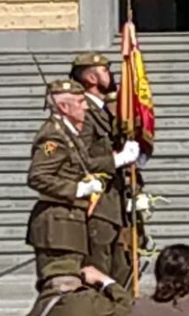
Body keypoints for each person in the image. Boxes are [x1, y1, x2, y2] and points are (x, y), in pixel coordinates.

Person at [26, 72, 139, 284]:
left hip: (70, 221)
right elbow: (37, 176)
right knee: (62, 286)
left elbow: (84, 164)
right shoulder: (54, 135)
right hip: (57, 225)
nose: (86, 107)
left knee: (75, 284)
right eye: (80, 102)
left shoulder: (69, 134)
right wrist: (78, 189)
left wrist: (116, 161)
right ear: (64, 108)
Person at [74, 53, 135, 288]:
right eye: (104, 70)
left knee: (123, 270)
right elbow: (80, 159)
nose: (110, 75)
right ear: (91, 76)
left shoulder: (105, 111)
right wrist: (116, 160)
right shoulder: (85, 113)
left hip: (116, 203)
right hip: (98, 204)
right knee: (100, 270)